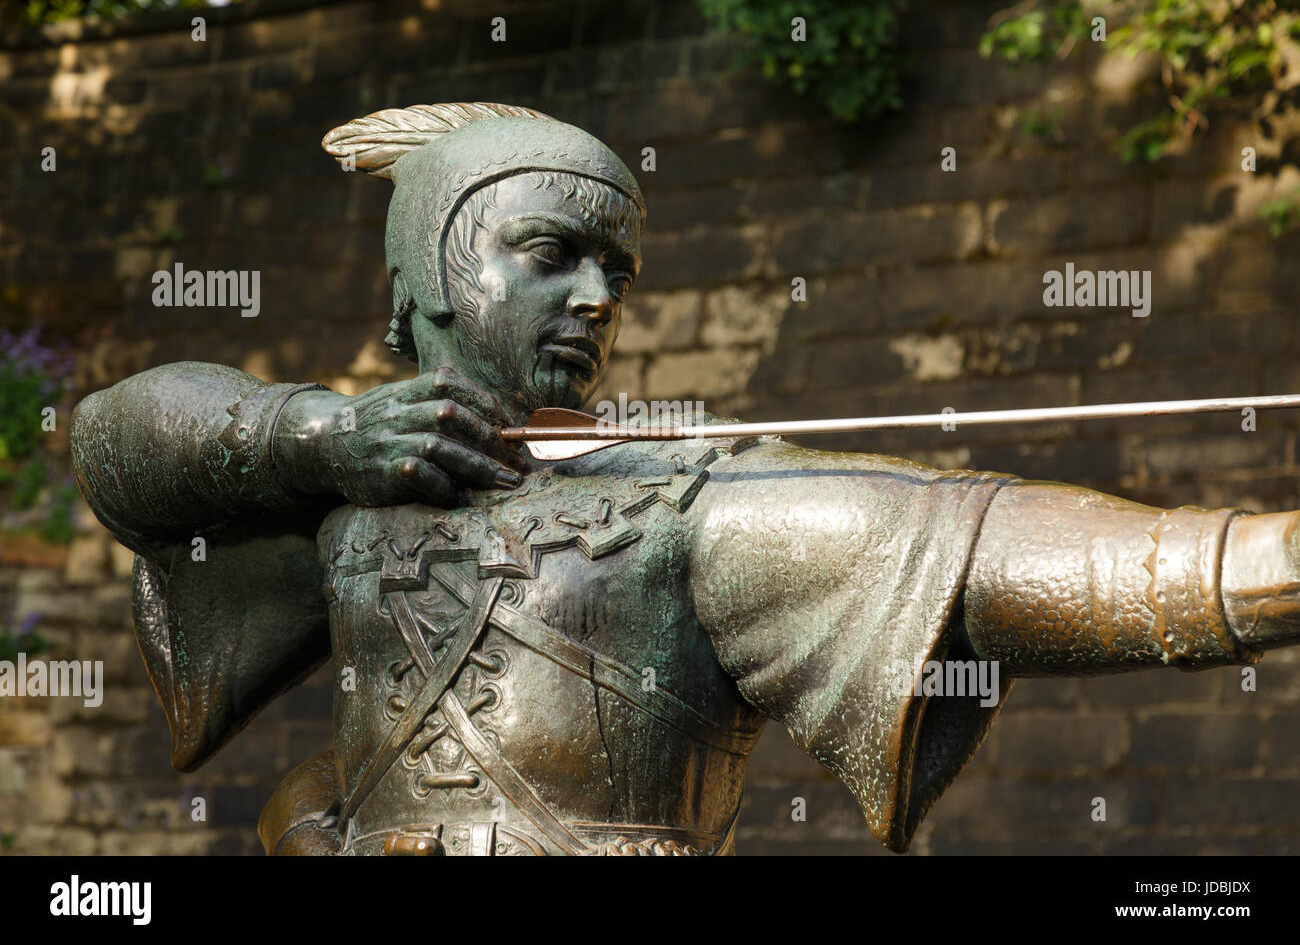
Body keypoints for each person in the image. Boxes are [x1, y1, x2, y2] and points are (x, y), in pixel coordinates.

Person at [70, 102, 1299, 856]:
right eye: (550, 253)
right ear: (427, 282)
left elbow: (986, 551)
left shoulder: (687, 504)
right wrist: (313, 438)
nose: (599, 300)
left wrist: (1268, 556)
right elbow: (117, 440)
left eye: (618, 270)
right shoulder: (345, 489)